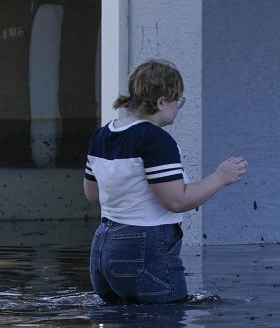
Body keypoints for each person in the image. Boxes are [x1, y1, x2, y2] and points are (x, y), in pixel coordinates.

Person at [84, 59, 246, 304]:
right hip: (143, 247)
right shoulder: (155, 139)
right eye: (178, 101)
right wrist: (219, 178)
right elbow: (176, 201)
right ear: (161, 102)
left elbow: (93, 194)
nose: (178, 108)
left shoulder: (102, 135)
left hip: (102, 249)